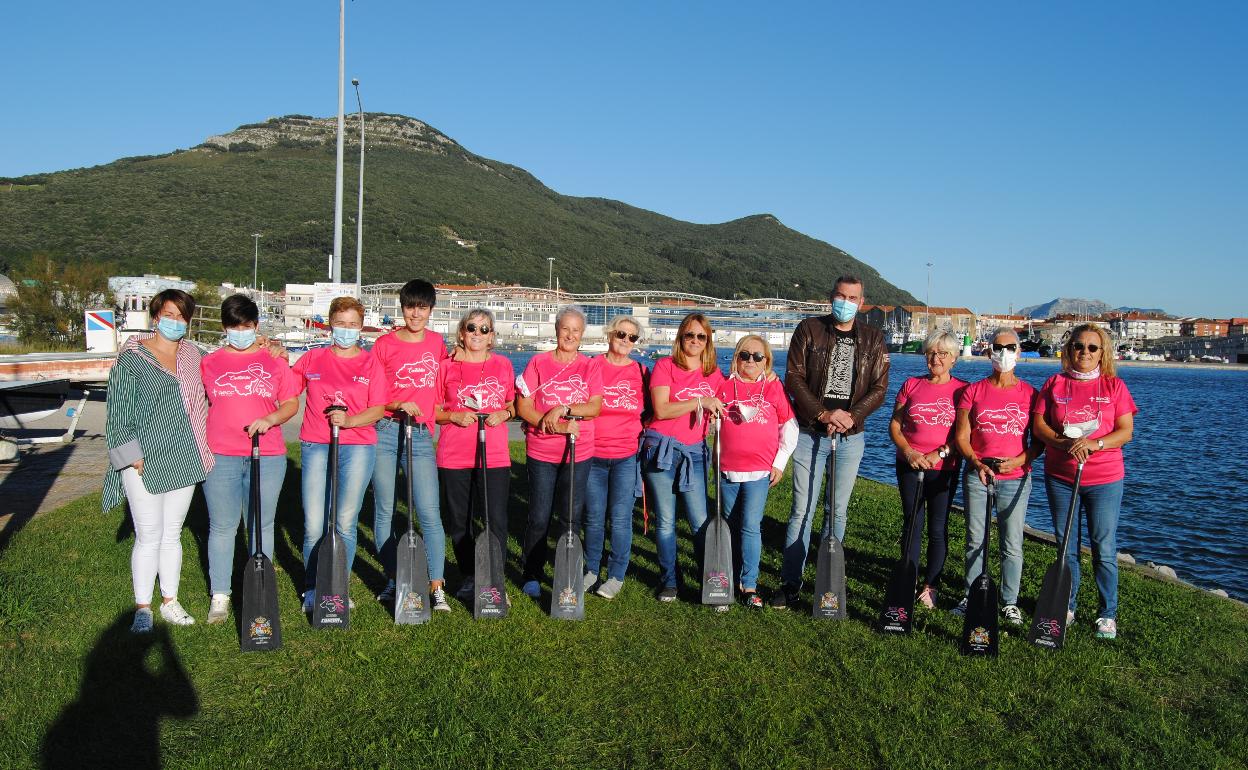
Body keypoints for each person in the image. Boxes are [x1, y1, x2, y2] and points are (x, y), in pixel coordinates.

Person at [772, 276, 889, 609]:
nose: (846, 302)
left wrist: (852, 416)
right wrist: (822, 414)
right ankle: (791, 582)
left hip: (850, 437)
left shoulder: (873, 338)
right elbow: (793, 377)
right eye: (841, 295)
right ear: (831, 297)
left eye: (853, 297)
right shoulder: (808, 329)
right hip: (811, 433)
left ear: (862, 302)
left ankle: (828, 582)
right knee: (801, 511)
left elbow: (879, 387)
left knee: (836, 512)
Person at [103, 289, 214, 633]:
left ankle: (170, 600)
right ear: (155, 317)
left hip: (184, 454)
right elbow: (117, 411)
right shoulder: (134, 356)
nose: (175, 322)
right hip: (143, 459)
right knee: (148, 534)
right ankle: (142, 607)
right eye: (169, 315)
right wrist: (130, 454)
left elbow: (220, 378)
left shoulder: (194, 354)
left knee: (172, 534)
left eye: (182, 316)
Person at [200, 294, 301, 624]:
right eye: (233, 326)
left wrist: (270, 420)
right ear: (224, 328)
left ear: (255, 326)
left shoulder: (274, 361)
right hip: (222, 454)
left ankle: (260, 586)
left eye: (245, 326)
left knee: (262, 524)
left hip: (267, 456)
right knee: (223, 526)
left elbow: (289, 404)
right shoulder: (209, 362)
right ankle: (220, 594)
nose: (239, 331)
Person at [1032, 323, 1136, 640]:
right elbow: (1040, 427)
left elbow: (1125, 431)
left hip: (1104, 479)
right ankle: (1067, 606)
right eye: (1079, 346)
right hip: (1061, 476)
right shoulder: (1055, 383)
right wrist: (1063, 443)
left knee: (1103, 547)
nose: (1085, 353)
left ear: (1102, 353)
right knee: (1067, 547)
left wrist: (1095, 444)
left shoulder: (1114, 386)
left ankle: (1107, 614)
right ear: (1069, 350)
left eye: (1092, 348)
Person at [292, 296, 388, 613]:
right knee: (314, 524)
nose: (346, 330)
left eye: (352, 325)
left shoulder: (370, 362)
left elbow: (377, 409)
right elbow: (286, 390)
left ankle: (337, 589)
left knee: (345, 522)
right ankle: (312, 588)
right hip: (317, 444)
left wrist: (349, 421)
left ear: (360, 328)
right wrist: (274, 356)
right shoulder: (312, 359)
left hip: (358, 445)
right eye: (341, 324)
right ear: (330, 324)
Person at [367, 280, 451, 613]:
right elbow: (372, 392)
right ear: (402, 308)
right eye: (410, 307)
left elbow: (449, 378)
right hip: (387, 430)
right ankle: (394, 577)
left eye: (422, 308)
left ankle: (436, 585)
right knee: (385, 510)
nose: (415, 314)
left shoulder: (437, 343)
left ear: (431, 310)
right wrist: (399, 401)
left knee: (429, 512)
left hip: (420, 436)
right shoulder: (384, 345)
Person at [953, 326, 1043, 626]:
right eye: (997, 347)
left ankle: (1009, 601)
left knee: (1011, 542)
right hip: (978, 475)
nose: (1003, 353)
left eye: (1009, 348)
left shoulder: (1031, 394)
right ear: (989, 350)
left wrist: (1020, 459)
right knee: (975, 538)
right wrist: (976, 463)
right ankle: (970, 595)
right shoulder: (973, 391)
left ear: (1018, 352)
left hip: (1015, 477)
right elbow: (962, 436)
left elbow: (1039, 441)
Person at [515, 306, 603, 599]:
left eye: (575, 330)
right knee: (539, 515)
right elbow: (523, 406)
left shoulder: (590, 366)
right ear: (557, 330)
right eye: (565, 328)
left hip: (579, 453)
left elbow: (594, 407)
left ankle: (567, 572)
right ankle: (531, 572)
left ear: (582, 335)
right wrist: (549, 423)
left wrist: (563, 409)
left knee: (570, 517)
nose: (570, 334)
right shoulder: (538, 362)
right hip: (542, 450)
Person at [641, 312, 725, 602]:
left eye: (701, 336)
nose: (695, 341)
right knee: (665, 520)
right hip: (661, 450)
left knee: (700, 521)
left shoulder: (713, 373)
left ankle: (710, 581)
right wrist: (700, 401)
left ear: (708, 341)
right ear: (680, 337)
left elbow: (729, 401)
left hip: (696, 452)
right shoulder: (665, 366)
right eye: (689, 335)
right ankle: (670, 581)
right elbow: (662, 410)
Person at [434, 309, 515, 603]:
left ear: (492, 336)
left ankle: (495, 580)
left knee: (495, 519)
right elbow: (433, 410)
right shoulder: (446, 368)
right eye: (472, 328)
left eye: (484, 329)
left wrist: (504, 412)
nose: (477, 334)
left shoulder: (503, 365)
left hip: (494, 455)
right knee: (460, 521)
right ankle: (470, 575)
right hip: (455, 454)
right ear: (461, 333)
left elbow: (514, 405)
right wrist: (453, 415)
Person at [713, 335, 797, 609]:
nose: (750, 361)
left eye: (757, 357)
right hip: (727, 471)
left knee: (750, 526)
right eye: (744, 355)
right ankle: (728, 576)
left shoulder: (774, 389)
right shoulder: (724, 387)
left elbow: (790, 427)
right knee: (729, 525)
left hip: (759, 472)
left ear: (767, 362)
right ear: (736, 358)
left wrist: (779, 463)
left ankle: (749, 584)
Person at [887, 329, 966, 610]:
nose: (935, 358)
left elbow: (963, 437)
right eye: (931, 352)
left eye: (942, 353)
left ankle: (931, 585)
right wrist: (908, 451)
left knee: (937, 526)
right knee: (912, 522)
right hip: (909, 464)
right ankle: (908, 577)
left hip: (943, 467)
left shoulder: (963, 390)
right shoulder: (911, 385)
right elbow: (895, 425)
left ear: (954, 358)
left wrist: (939, 453)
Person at [585, 315, 647, 599]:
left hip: (625, 456)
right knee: (595, 517)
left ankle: (617, 574)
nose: (625, 340)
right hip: (593, 453)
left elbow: (653, 408)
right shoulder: (592, 365)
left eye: (632, 337)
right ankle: (591, 569)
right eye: (621, 334)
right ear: (610, 335)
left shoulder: (642, 372)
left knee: (621, 519)